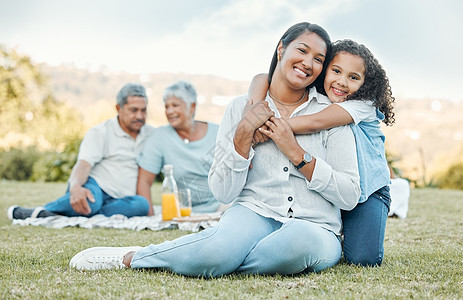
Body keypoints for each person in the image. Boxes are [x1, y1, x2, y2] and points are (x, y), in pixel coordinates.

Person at [69, 22, 360, 277]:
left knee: (296, 245)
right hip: (253, 212)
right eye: (302, 51)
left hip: (315, 226)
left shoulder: (333, 115)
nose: (308, 63)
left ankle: (208, 258)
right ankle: (137, 257)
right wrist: (243, 134)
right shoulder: (239, 108)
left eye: (319, 59)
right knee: (219, 248)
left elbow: (349, 195)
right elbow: (223, 192)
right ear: (281, 49)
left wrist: (297, 154)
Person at [247, 39, 395, 266]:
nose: (342, 82)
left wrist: (265, 127)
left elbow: (315, 122)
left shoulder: (362, 104)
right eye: (335, 71)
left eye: (353, 77)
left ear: (366, 84)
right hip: (333, 186)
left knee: (363, 259)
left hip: (368, 192)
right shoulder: (319, 96)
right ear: (324, 71)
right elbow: (261, 78)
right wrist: (254, 109)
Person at [8, 83, 154, 220]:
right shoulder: (100, 132)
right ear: (118, 108)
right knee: (92, 203)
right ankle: (39, 211)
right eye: (134, 110)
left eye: (143, 110)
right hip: (95, 186)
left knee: (142, 205)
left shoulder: (150, 134)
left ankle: (69, 214)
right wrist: (76, 187)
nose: (140, 116)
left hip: (121, 198)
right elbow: (84, 164)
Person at [136, 80, 221, 215]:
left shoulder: (218, 133)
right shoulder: (160, 137)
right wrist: (150, 217)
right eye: (166, 106)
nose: (169, 111)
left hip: (222, 207)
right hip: (181, 212)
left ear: (192, 107)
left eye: (175, 105)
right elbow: (144, 181)